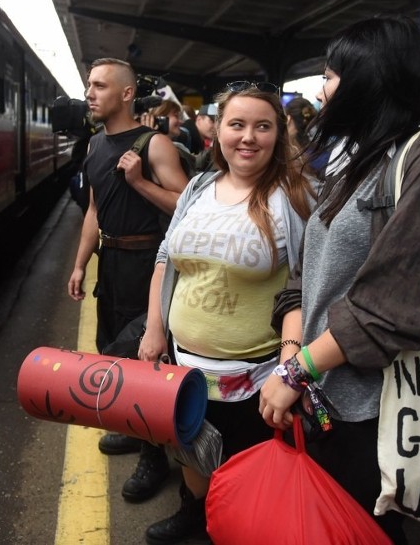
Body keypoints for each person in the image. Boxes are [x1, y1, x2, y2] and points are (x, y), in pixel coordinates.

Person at [259, 15, 420, 544]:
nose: (322, 91)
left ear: (370, 77)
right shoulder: (358, 163)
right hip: (326, 398)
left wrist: (296, 372)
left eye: (330, 75)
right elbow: (306, 277)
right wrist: (292, 357)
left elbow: (396, 299)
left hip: (380, 412)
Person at [137, 82, 314, 544]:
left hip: (254, 378)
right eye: (237, 124)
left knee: (245, 469)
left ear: (279, 134)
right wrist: (155, 327)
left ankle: (233, 529)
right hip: (183, 363)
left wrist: (293, 368)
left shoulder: (294, 197)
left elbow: (307, 287)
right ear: (217, 131)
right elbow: (166, 256)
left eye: (262, 126)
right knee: (190, 450)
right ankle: (194, 514)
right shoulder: (198, 187)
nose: (248, 137)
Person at [67, 57, 189, 502]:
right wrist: (81, 263)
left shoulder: (154, 144)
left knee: (146, 364)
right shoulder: (96, 145)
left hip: (145, 265)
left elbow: (183, 206)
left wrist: (138, 182)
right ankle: (135, 431)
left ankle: (154, 459)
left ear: (124, 94)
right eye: (88, 85)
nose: (90, 93)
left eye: (99, 86)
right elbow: (94, 213)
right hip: (111, 265)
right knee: (111, 352)